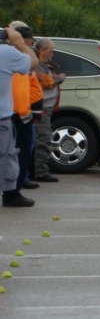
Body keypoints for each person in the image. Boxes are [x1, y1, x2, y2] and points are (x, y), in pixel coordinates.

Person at [1, 26, 39, 207]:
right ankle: (10, 194)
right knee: (8, 156)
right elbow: (33, 62)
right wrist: (19, 43)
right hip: (2, 117)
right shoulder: (6, 52)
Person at [9, 23, 42, 190]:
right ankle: (14, 189)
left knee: (20, 152)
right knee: (19, 152)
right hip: (16, 113)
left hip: (21, 112)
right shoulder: (16, 56)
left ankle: (18, 185)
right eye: (29, 40)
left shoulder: (18, 57)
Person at [32, 38, 66, 183]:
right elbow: (46, 82)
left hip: (47, 106)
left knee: (41, 138)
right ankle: (40, 171)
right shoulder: (36, 64)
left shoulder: (44, 64)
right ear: (41, 50)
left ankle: (36, 170)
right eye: (50, 51)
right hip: (42, 107)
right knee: (43, 139)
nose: (51, 55)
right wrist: (58, 79)